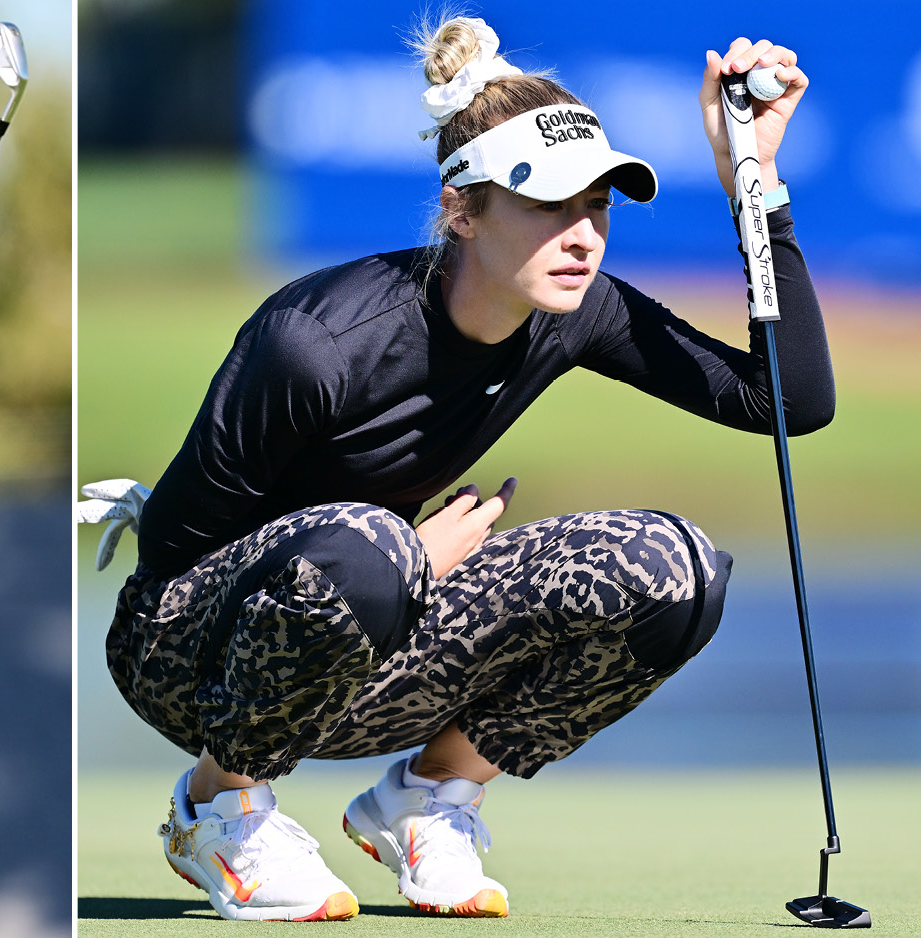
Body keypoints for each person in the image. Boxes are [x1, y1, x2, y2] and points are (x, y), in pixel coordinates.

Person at [78, 17, 828, 923]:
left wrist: (755, 185)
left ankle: (426, 799)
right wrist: (402, 558)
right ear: (461, 209)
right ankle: (217, 807)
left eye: (596, 205)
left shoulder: (578, 310)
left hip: (376, 640)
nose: (582, 234)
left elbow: (786, 402)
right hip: (187, 660)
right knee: (371, 547)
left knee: (676, 573)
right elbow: (167, 560)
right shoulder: (313, 343)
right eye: (549, 204)